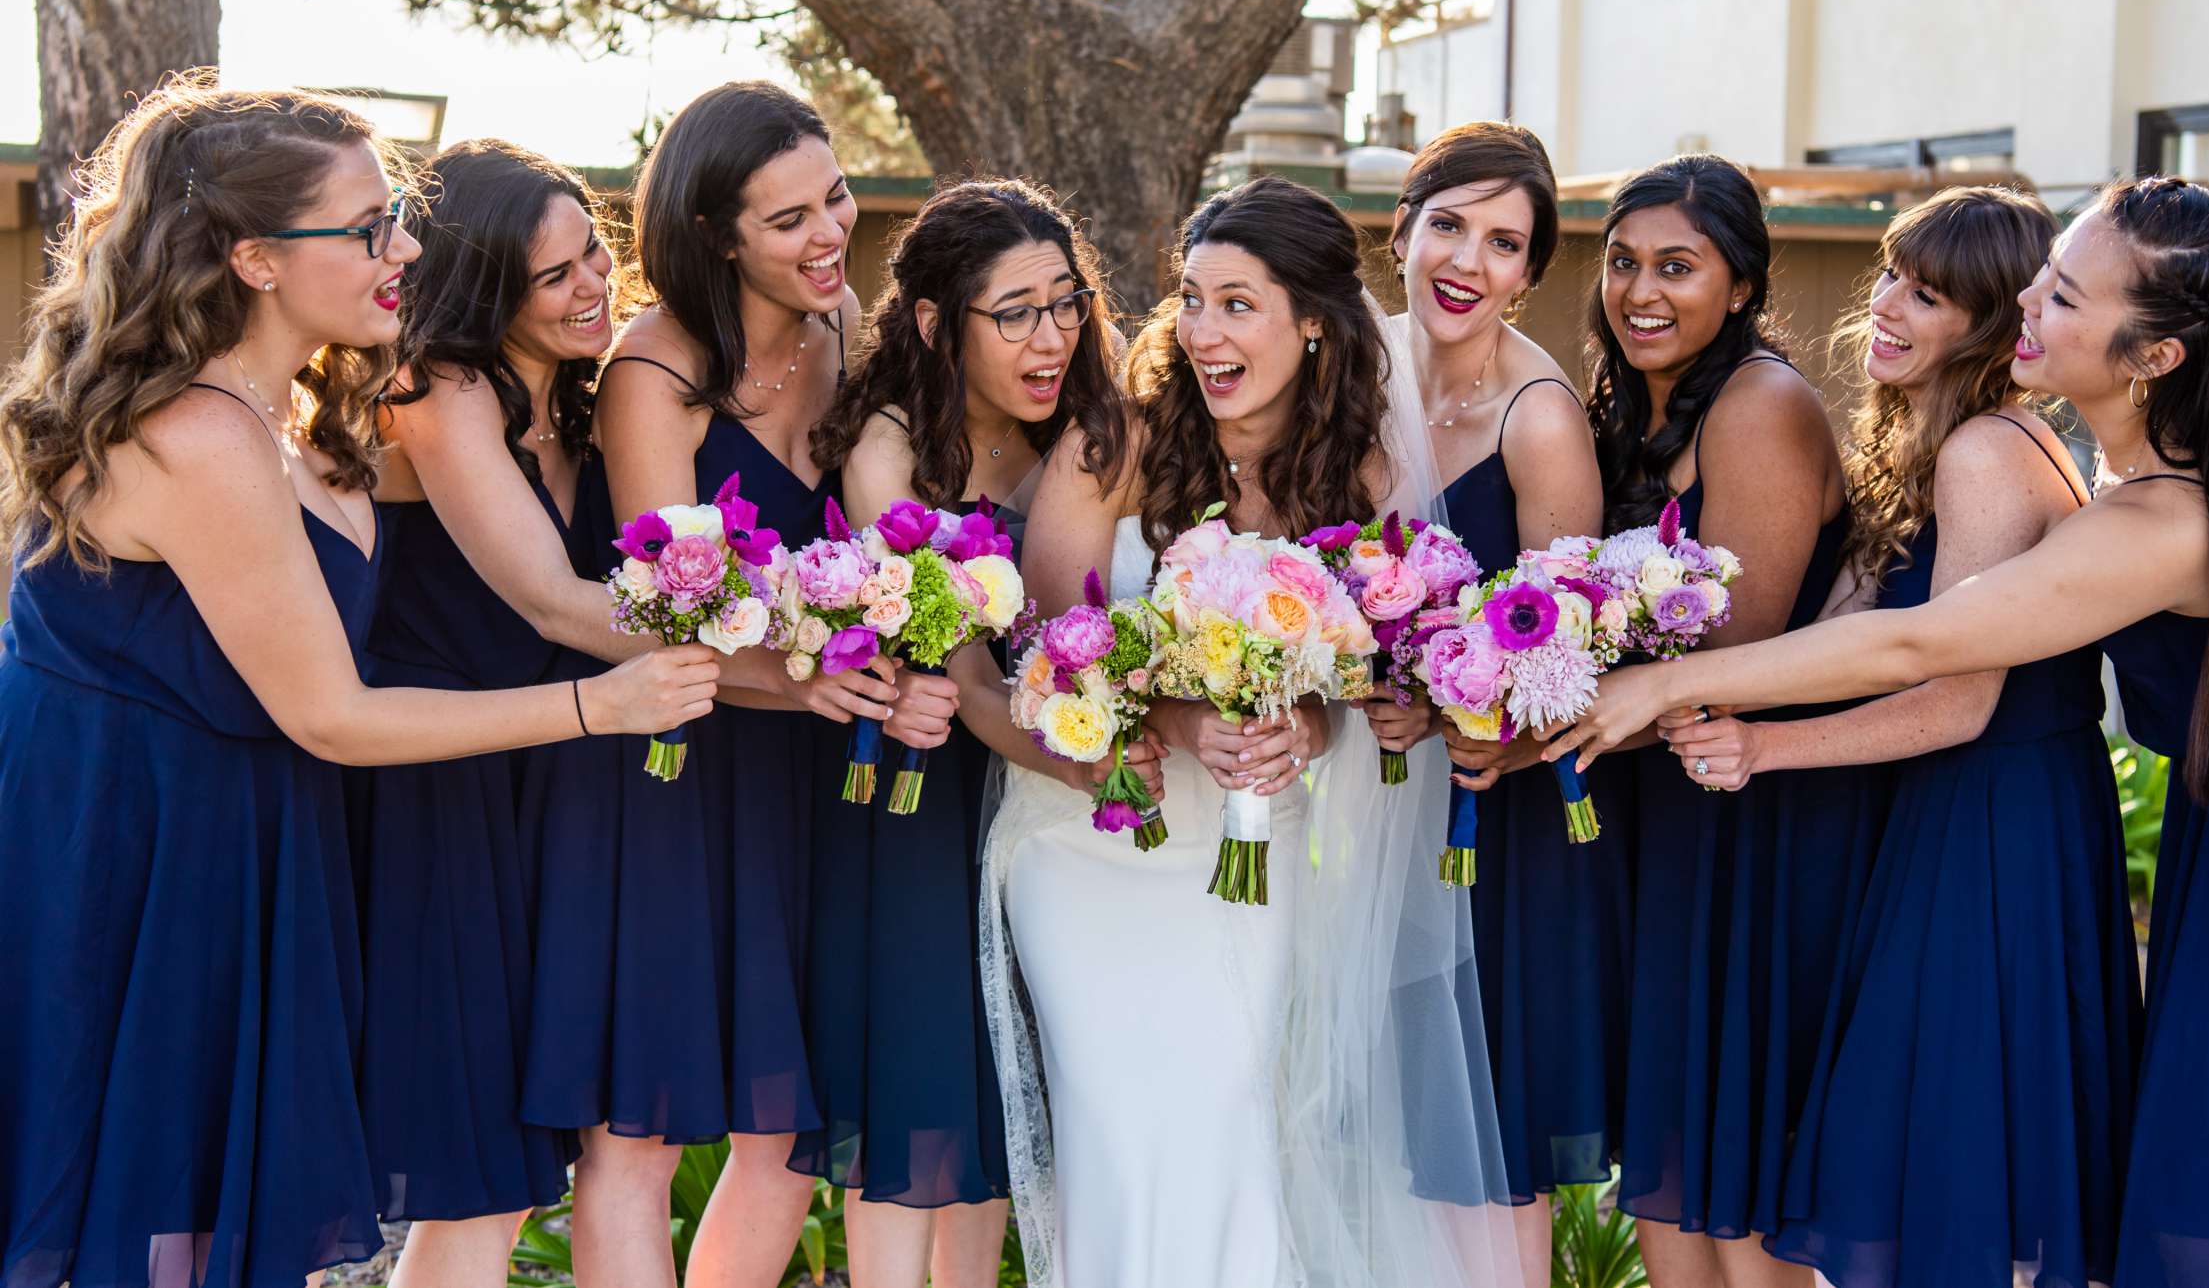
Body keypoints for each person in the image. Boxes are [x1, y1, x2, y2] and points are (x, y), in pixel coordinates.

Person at [1552, 176, 2209, 1288]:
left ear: (2153, 357)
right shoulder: (2139, 470)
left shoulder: (2165, 517)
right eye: (2041, 285)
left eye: (2061, 301)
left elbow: (1927, 649)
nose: (2026, 315)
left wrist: (1671, 688)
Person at [0, 81, 713, 1288]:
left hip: (243, 835)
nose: (408, 249)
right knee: (139, 1216)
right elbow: (331, 710)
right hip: (125, 850)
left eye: (403, 219)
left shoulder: (296, 414)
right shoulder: (198, 436)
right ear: (256, 260)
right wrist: (599, 704)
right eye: (371, 227)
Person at [988, 175, 1515, 1288]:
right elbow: (1045, 648)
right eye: (1191, 299)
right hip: (1091, 843)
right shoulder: (1115, 443)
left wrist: (1314, 731)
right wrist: (1179, 716)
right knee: (1119, 1132)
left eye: (1238, 304)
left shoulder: (1359, 471)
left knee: (1229, 1114)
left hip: (1249, 853)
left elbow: (1364, 670)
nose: (1202, 330)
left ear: (1313, 324)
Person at [1661, 188, 2141, 1288]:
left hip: (1990, 827)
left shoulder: (1984, 451)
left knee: (1956, 1164)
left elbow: (1956, 699)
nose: (1886, 306)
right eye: (1891, 274)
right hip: (1960, 816)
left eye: (1928, 296)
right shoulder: (1928, 450)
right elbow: (1849, 634)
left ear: (1988, 323)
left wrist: (1761, 748)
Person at [558, 82, 944, 1288]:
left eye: (834, 198)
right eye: (789, 221)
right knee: (640, 1122)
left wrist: (900, 662)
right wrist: (805, 680)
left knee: (786, 1119)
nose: (829, 233)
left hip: (812, 773)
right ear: (717, 235)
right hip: (672, 774)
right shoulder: (653, 372)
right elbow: (660, 610)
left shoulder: (844, 347)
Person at [800, 179, 1131, 1287]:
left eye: (1066, 304)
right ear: (940, 324)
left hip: (1045, 820)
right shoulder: (892, 448)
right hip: (916, 798)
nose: (1053, 338)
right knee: (914, 1096)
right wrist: (1105, 768)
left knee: (1003, 1103)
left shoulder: (1095, 434)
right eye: (1017, 314)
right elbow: (963, 669)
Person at [1581, 153, 1874, 1288]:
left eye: (1678, 267)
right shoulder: (1619, 410)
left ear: (1742, 286)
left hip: (1751, 824)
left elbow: (1729, 658)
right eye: (1622, 261)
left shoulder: (1762, 408)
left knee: (1737, 1180)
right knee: (1668, 1165)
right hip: (1658, 815)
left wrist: (1534, 719)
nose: (1640, 290)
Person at [1388, 122, 1616, 1288]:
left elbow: (1567, 659)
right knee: (1388, 1138)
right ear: (1404, 231)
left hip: (1493, 827)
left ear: (1530, 272)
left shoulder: (1540, 421)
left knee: (1484, 1147)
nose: (1470, 259)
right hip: (1364, 809)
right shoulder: (1355, 373)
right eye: (1450, 225)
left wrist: (1456, 720)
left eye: (1505, 241)